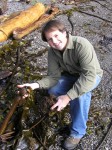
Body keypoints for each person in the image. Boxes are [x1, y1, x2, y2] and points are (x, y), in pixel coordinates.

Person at [17, 20, 103, 150]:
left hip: (91, 76)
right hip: (71, 75)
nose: (54, 42)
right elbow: (53, 77)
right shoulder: (52, 52)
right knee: (53, 89)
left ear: (64, 32)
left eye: (56, 36)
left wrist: (68, 97)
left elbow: (89, 76)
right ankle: (67, 103)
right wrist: (34, 85)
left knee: (80, 96)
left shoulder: (81, 45)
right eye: (50, 39)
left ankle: (77, 132)